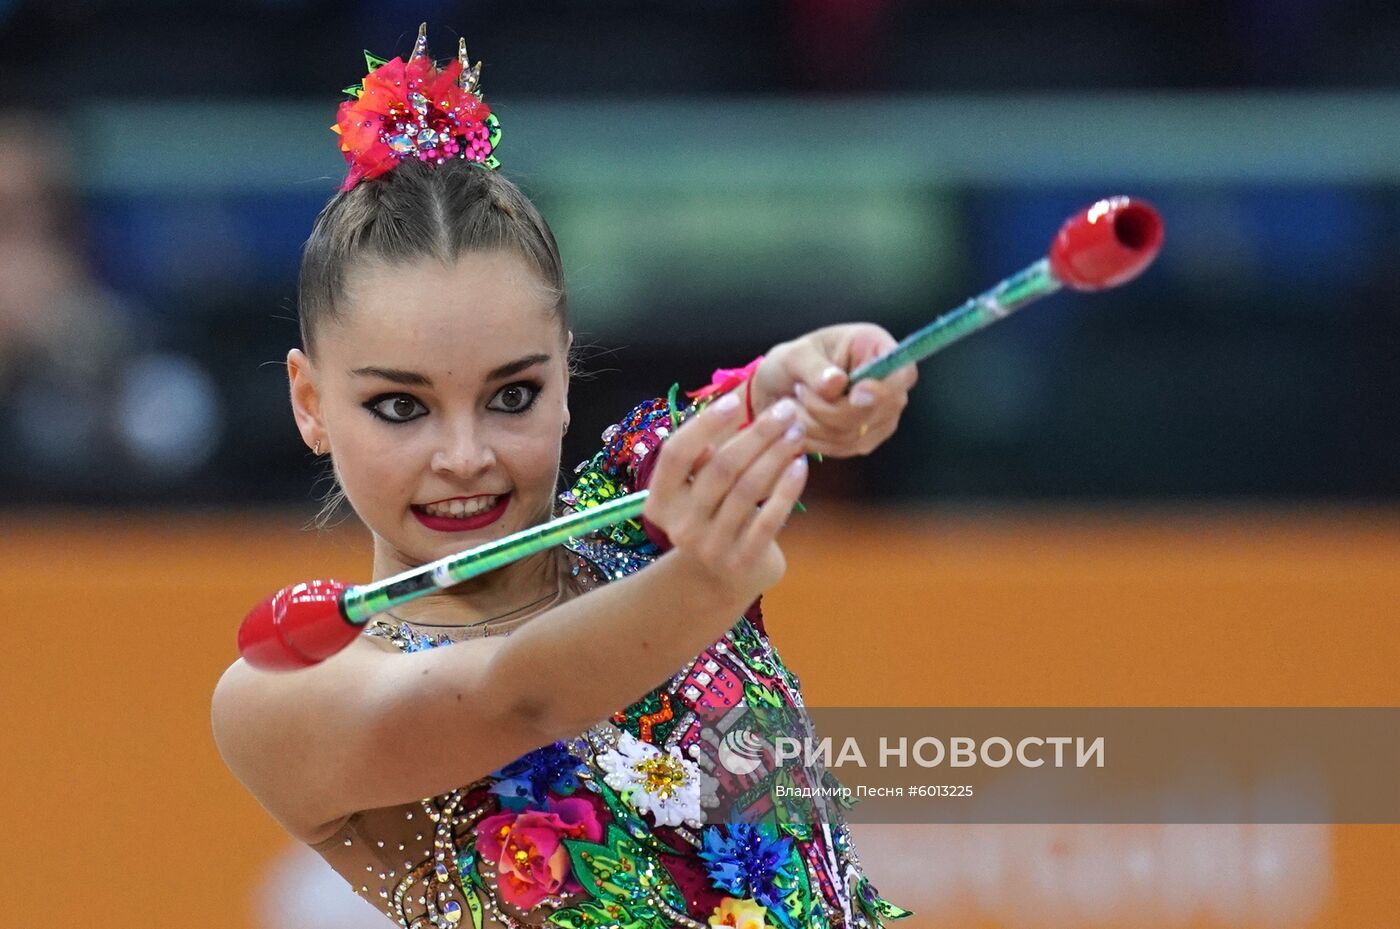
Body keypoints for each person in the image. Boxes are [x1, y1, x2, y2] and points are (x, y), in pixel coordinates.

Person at [212, 26, 918, 929]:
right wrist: (703, 581)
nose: (464, 456)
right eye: (401, 406)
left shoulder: (639, 508)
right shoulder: (289, 693)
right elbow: (523, 694)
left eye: (512, 394)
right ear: (310, 402)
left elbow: (764, 396)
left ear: (564, 368)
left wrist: (834, 375)